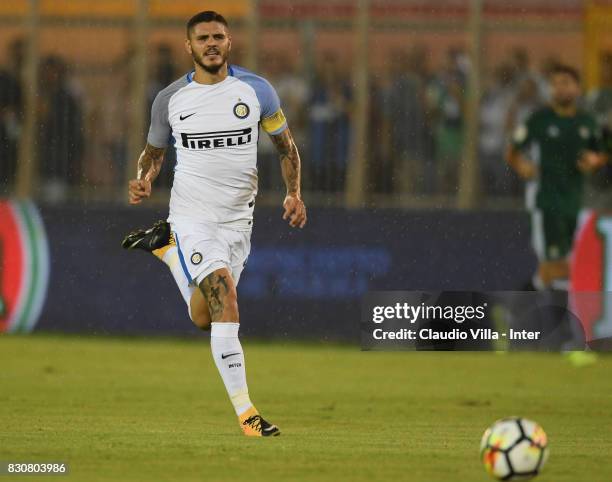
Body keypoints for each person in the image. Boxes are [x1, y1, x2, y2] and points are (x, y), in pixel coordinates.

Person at [122, 11, 306, 437]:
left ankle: (166, 250)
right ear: (189, 46)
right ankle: (249, 416)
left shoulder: (257, 91)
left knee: (205, 317)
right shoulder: (170, 100)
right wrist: (145, 179)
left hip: (239, 221)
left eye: (218, 36)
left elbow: (286, 147)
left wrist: (294, 193)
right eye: (202, 38)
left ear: (229, 42)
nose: (211, 43)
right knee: (227, 302)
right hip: (193, 217)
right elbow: (153, 153)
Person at [506, 64, 604, 360]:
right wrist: (523, 167)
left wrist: (594, 160)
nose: (560, 89)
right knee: (557, 267)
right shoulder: (539, 120)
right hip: (545, 201)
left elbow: (599, 152)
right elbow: (513, 151)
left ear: (577, 88)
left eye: (566, 83)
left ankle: (523, 318)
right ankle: (553, 333)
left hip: (575, 203)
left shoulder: (587, 122)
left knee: (559, 271)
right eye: (555, 84)